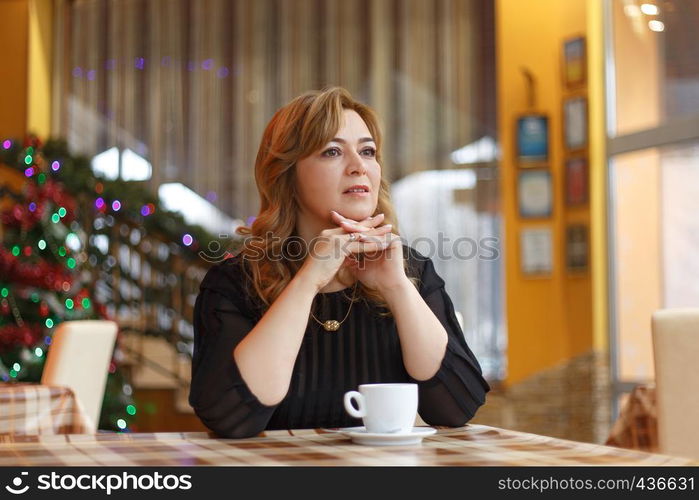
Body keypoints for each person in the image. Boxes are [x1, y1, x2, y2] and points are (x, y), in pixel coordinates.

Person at [189, 87, 490, 438]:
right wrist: (309, 279)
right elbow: (230, 418)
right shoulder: (234, 283)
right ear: (287, 175)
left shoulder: (410, 272)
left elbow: (456, 408)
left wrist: (396, 287)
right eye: (332, 151)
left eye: (368, 151)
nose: (359, 167)